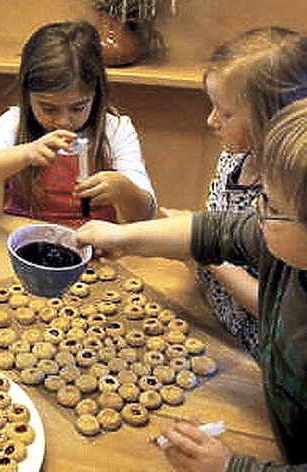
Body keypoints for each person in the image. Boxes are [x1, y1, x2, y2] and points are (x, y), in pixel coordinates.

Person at [76, 96, 307, 470]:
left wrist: (231, 467)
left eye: (272, 207)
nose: (257, 212)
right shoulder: (283, 245)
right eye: (261, 196)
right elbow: (214, 231)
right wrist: (124, 237)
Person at [0, 21, 156, 227]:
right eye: (48, 108)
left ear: (96, 93)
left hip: (95, 245)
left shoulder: (115, 129)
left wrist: (122, 189)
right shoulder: (14, 122)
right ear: (28, 95)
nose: (63, 122)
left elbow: (145, 215)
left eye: (78, 107)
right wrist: (25, 153)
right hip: (26, 241)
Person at [192, 27, 307, 360]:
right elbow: (215, 222)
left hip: (253, 352)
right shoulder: (233, 155)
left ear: (274, 120)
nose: (211, 120)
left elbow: (273, 305)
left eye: (226, 113)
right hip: (212, 315)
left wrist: (214, 261)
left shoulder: (286, 199)